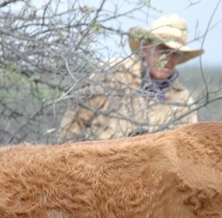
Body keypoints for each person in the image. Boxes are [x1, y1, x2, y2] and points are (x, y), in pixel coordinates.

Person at [58, 13, 204, 142]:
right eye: (163, 50)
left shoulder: (183, 102)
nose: (168, 59)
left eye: (175, 53)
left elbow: (186, 151)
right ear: (146, 48)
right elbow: (73, 123)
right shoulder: (112, 74)